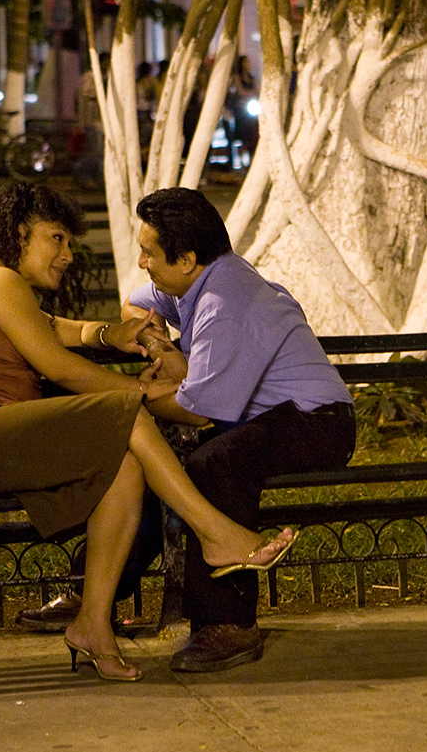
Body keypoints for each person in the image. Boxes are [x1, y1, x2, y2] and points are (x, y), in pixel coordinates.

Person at [0, 181, 296, 681]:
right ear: (19, 234)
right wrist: (143, 395)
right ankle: (215, 533)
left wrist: (111, 334)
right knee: (126, 416)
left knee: (125, 463)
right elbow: (60, 366)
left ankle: (93, 624)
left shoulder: (11, 295)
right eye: (57, 239)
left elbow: (59, 329)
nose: (68, 255)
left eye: (69, 243)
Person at [124, 187, 356, 672]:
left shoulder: (227, 300)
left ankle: (228, 625)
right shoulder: (197, 281)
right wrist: (161, 349)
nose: (142, 261)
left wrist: (136, 396)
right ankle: (97, 588)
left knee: (214, 462)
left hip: (318, 421)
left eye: (148, 252)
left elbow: (199, 410)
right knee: (169, 463)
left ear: (185, 259)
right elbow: (133, 307)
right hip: (279, 418)